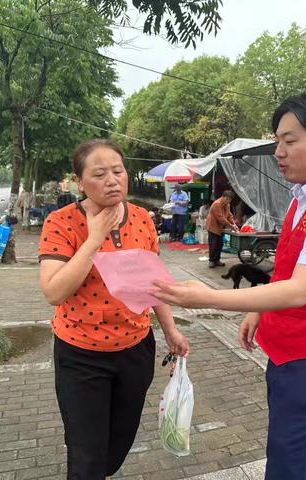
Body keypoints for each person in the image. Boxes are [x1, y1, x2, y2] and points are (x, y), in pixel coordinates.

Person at [152, 92, 306, 480]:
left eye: (290, 141)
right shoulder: (302, 198)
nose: (279, 151)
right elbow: (288, 268)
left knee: (292, 470)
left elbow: (300, 290)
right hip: (292, 360)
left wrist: (209, 296)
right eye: (277, 140)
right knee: (285, 464)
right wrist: (258, 309)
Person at [38, 139, 189, 480]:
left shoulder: (141, 219)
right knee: (87, 454)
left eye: (118, 171)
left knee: (117, 443)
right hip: (81, 356)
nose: (112, 180)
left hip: (135, 350)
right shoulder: (61, 222)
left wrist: (170, 330)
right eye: (99, 173)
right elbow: (54, 291)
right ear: (80, 181)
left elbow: (154, 283)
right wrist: (93, 239)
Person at [206, 190, 239, 268]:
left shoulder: (227, 204)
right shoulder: (216, 204)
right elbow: (221, 218)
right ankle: (211, 261)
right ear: (223, 197)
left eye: (230, 199)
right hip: (213, 226)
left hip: (221, 227)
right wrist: (231, 226)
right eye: (227, 199)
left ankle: (217, 260)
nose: (229, 201)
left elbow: (229, 215)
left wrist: (234, 223)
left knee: (220, 244)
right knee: (213, 244)